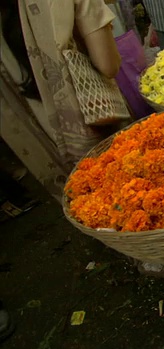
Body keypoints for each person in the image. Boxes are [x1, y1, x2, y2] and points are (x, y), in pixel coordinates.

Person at [0, 0, 125, 201]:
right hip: (96, 117)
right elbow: (108, 65)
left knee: (95, 208)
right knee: (134, 195)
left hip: (48, 133)